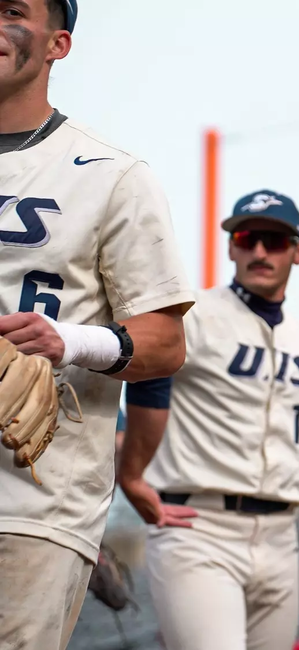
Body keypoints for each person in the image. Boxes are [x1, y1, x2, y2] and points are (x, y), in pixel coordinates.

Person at [117, 190, 299, 650]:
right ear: (232, 247)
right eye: (248, 237)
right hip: (198, 526)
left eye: (276, 240)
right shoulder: (194, 317)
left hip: (281, 536)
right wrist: (130, 473)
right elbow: (140, 380)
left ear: (298, 252)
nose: (260, 251)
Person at [0, 2, 195, 648]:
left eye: (11, 10)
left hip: (31, 503)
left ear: (58, 45)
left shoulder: (113, 177)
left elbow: (166, 343)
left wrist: (71, 342)